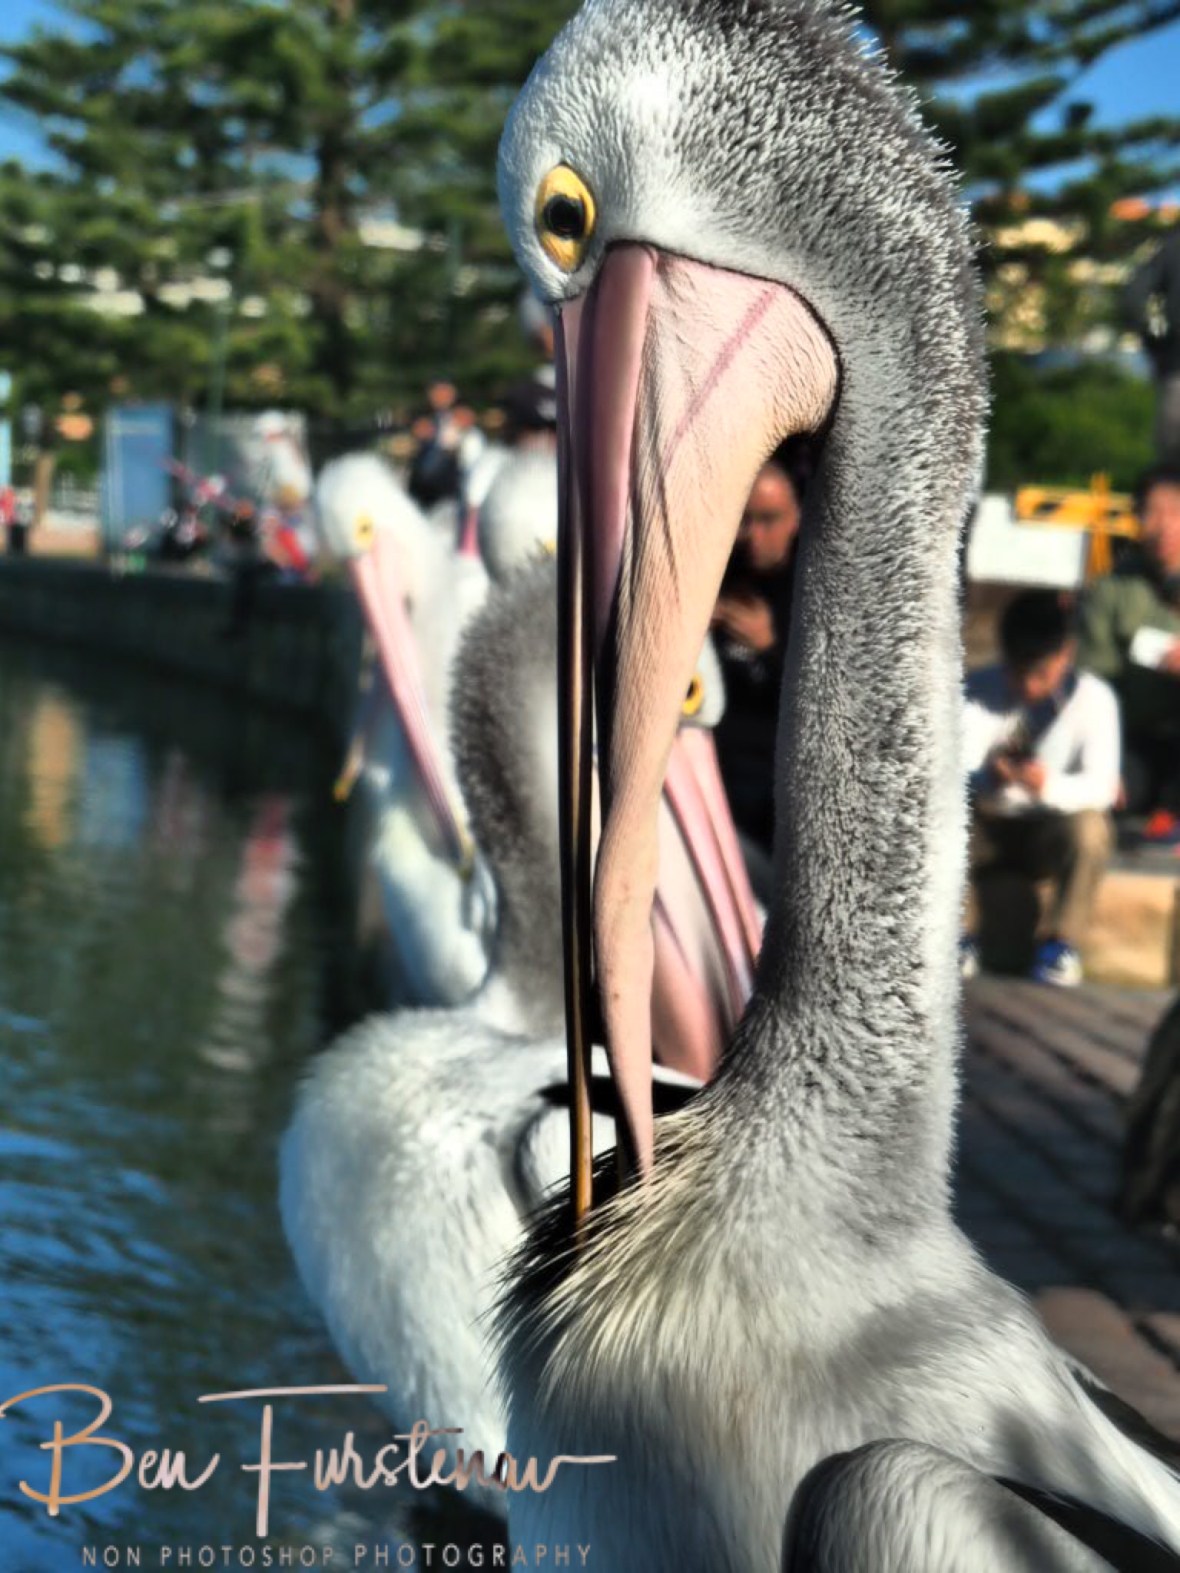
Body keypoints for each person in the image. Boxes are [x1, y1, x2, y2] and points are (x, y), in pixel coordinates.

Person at [961, 591, 1120, 988]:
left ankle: (1060, 944)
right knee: (939, 817)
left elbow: (1101, 787)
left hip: (1049, 828)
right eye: (1018, 674)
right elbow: (949, 772)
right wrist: (989, 778)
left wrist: (1046, 785)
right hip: (988, 823)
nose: (1029, 686)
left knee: (1092, 830)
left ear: (1066, 655)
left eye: (1041, 674)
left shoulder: (1095, 699)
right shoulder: (976, 689)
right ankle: (957, 935)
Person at [710, 450, 804, 864]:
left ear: (795, 519)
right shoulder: (713, 575)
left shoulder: (811, 590)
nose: (753, 535)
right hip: (714, 773)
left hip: (777, 782)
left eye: (768, 520)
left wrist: (768, 648)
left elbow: (832, 704)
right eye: (744, 519)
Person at [1076, 464, 1180, 828]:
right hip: (1136, 737)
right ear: (1136, 517)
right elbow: (1093, 680)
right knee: (1108, 797)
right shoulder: (1111, 590)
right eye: (1152, 512)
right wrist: (1101, 760)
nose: (1164, 526)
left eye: (1175, 511)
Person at [1122, 227, 1180, 463]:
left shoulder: (1173, 246)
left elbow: (1133, 297)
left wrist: (1153, 343)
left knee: (1172, 465)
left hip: (1176, 366)